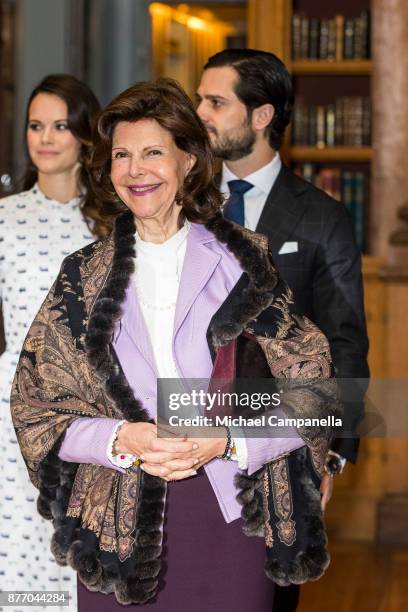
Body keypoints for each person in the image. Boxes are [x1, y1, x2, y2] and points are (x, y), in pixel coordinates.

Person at [11, 78, 341, 611]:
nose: (134, 170)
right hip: (113, 522)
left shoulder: (246, 264)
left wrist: (228, 441)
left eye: (152, 153)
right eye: (122, 154)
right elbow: (35, 412)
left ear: (189, 160)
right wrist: (122, 437)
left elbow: (321, 397)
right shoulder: (80, 277)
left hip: (228, 510)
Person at [197, 48, 369, 610]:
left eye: (216, 102)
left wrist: (331, 452)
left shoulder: (322, 217)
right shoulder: (185, 206)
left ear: (262, 116)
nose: (199, 111)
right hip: (184, 434)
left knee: (269, 597)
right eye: (201, 98)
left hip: (282, 439)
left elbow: (344, 340)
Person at [0, 74, 110, 609]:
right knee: (18, 562)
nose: (44, 138)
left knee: (81, 561)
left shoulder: (114, 225)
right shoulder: (3, 219)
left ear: (86, 136)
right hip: (11, 415)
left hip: (94, 413)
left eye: (60, 126)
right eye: (35, 125)